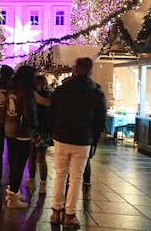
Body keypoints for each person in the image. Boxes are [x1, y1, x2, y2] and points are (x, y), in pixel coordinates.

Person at [49, 57, 107, 228]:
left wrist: (54, 132)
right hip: (83, 140)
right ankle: (70, 215)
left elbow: (52, 115)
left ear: (75, 69)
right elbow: (99, 121)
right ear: (90, 71)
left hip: (61, 137)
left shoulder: (61, 90)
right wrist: (94, 140)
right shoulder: (96, 93)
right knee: (76, 178)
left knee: (60, 174)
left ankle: (55, 212)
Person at [4, 65, 38, 209]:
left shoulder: (12, 89)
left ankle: (14, 192)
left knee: (13, 163)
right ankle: (12, 198)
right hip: (22, 131)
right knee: (19, 165)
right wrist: (34, 125)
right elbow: (30, 114)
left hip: (10, 127)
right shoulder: (27, 92)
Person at [26, 75, 52, 195]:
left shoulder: (33, 95)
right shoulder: (50, 95)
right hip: (45, 129)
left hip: (34, 128)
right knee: (42, 158)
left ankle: (32, 180)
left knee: (32, 156)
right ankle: (43, 184)